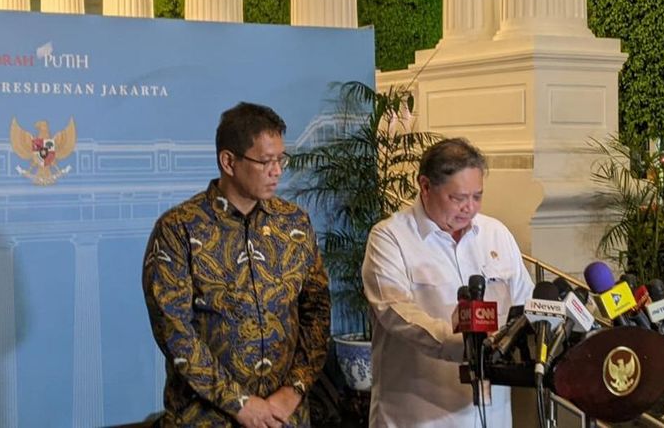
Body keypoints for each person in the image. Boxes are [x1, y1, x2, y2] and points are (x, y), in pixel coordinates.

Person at [142, 102, 331, 427]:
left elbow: (317, 310)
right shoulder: (179, 228)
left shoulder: (294, 224)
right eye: (266, 161)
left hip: (285, 415)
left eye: (280, 159)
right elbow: (175, 331)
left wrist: (294, 390)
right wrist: (240, 404)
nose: (277, 171)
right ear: (228, 161)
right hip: (205, 417)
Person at [362, 138, 535, 427]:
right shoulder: (390, 238)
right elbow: (397, 313)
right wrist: (463, 345)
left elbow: (525, 302)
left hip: (492, 415)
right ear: (425, 186)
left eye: (477, 196)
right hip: (419, 416)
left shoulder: (496, 234)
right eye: (458, 198)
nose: (469, 208)